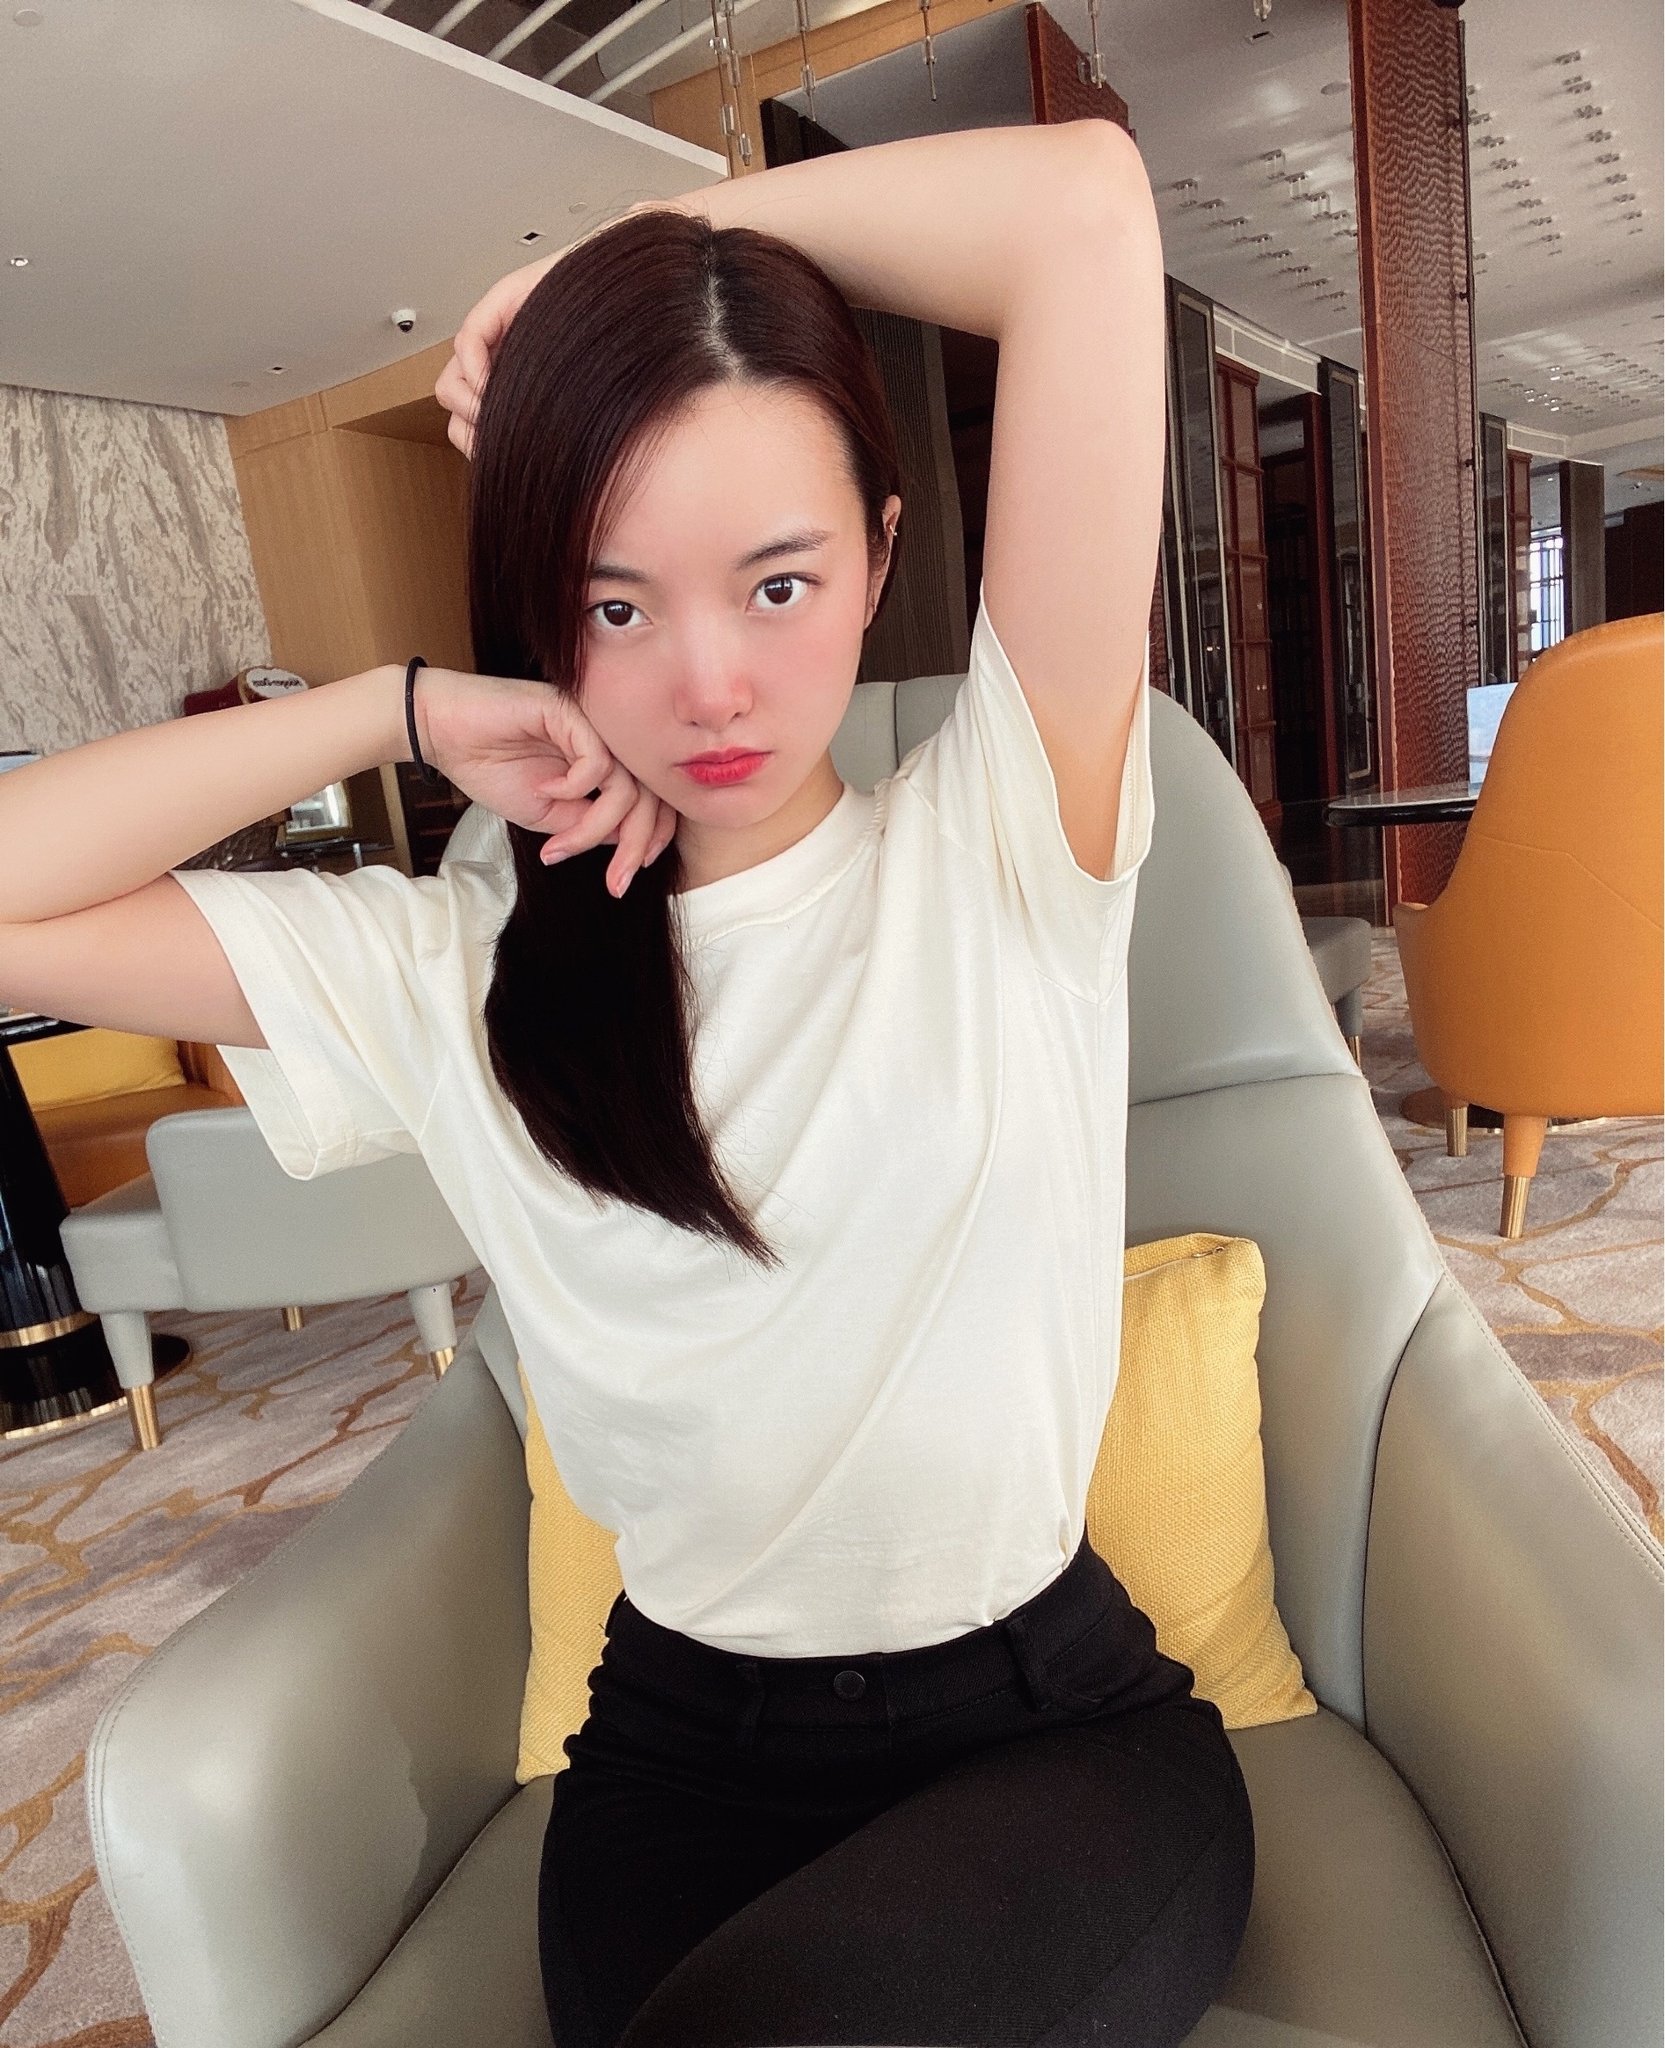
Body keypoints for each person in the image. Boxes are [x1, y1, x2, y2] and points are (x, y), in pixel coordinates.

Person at [0, 123, 1252, 2046]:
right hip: (681, 1762)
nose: (708, 685)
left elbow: (1081, 206)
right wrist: (388, 710)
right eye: (614, 607)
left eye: (776, 583)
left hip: (1047, 1737)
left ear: (880, 557)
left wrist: (650, 248)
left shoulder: (1014, 833)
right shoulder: (448, 972)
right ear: (542, 623)